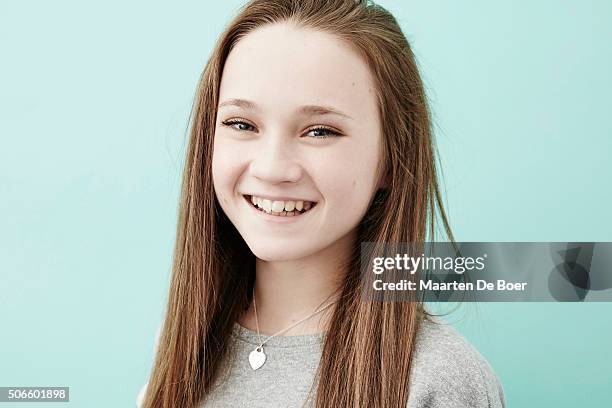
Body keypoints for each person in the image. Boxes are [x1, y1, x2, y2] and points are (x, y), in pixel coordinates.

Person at [137, 0, 506, 406]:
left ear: (390, 160)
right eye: (242, 124)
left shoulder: (438, 377)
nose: (273, 168)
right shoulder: (181, 346)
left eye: (319, 131)